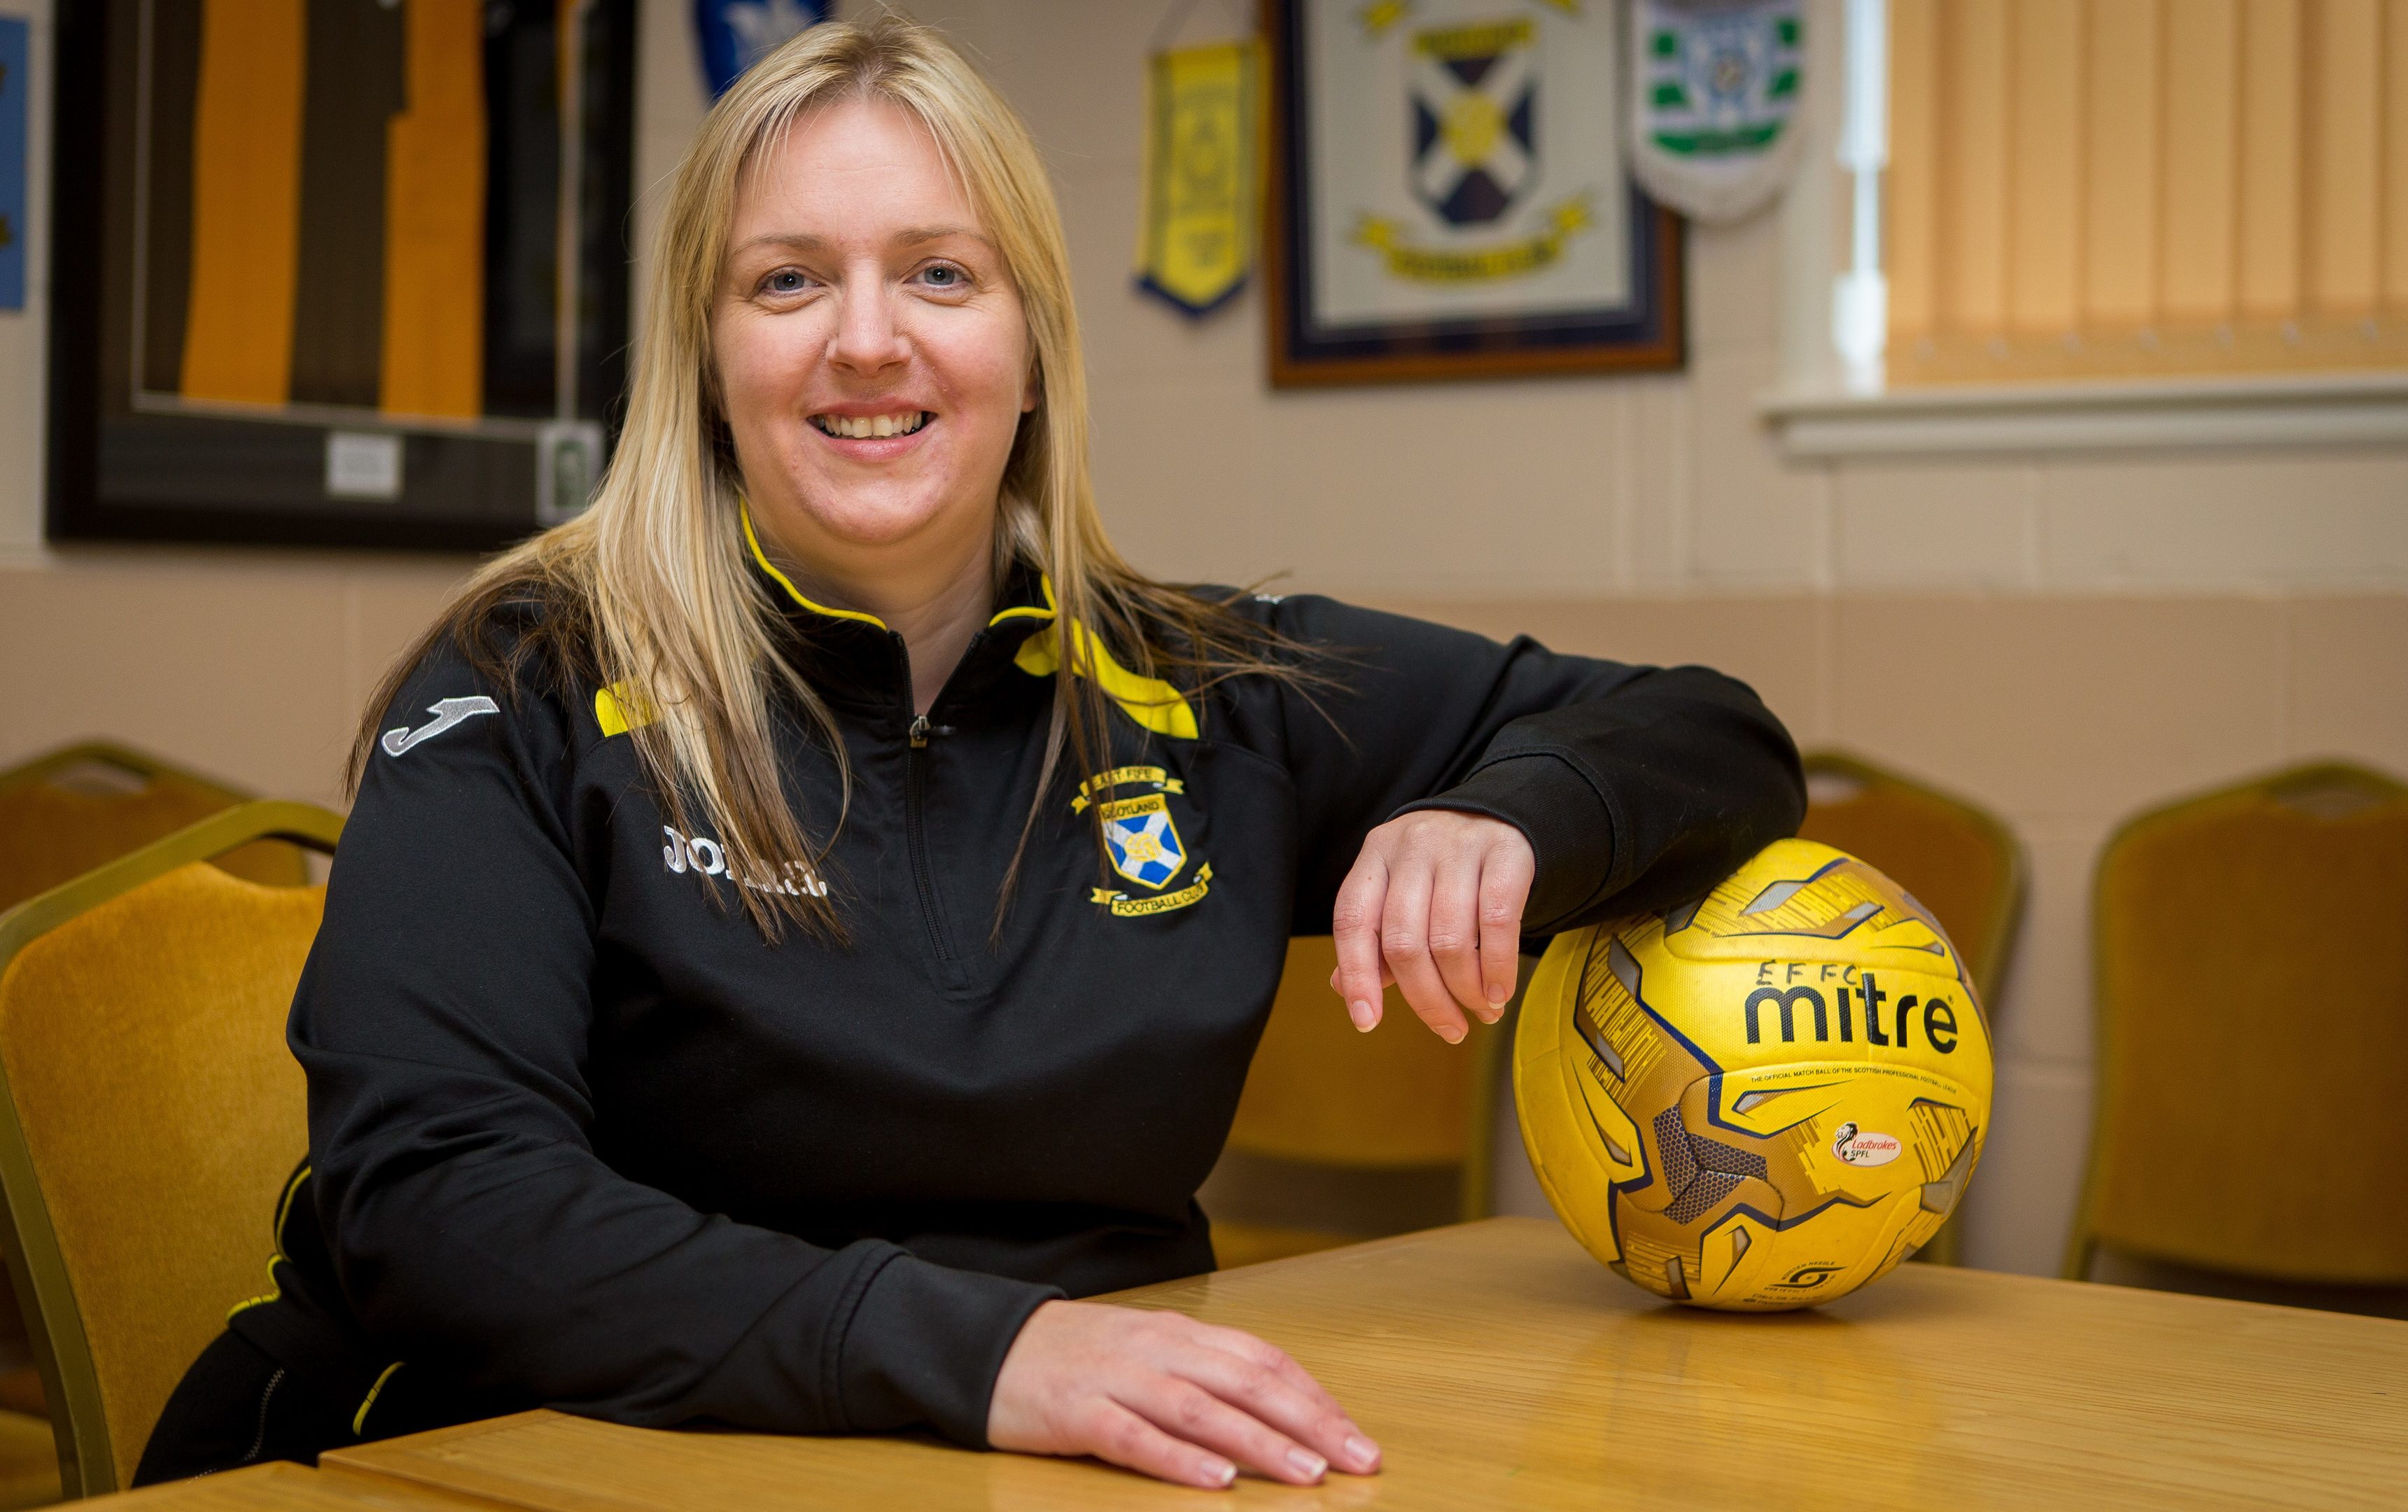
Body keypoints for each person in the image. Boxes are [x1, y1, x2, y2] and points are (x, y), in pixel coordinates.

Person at [137, 16, 1803, 1493]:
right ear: (709, 363)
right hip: (514, 1447)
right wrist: (990, 1357)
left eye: (940, 273)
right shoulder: (533, 680)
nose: (868, 341)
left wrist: (1508, 817)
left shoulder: (1200, 684)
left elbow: (1714, 734)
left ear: (1032, 348)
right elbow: (440, 1210)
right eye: (788, 280)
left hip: (1060, 1462)